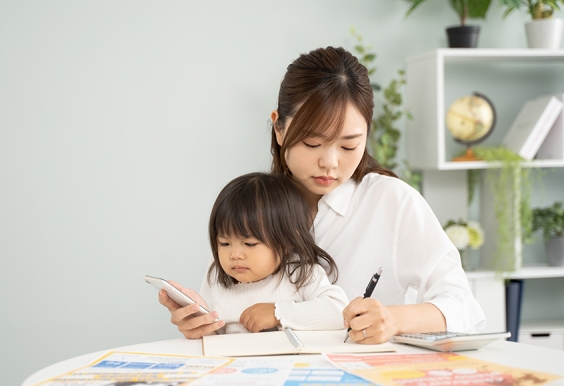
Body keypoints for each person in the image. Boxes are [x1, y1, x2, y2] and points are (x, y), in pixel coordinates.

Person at [159, 46, 486, 342]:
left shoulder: (392, 201)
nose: (329, 163)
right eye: (312, 143)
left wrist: (395, 319)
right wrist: (202, 323)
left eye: (349, 145)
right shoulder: (258, 203)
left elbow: (464, 308)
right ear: (279, 128)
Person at [164, 172, 349, 336]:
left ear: (287, 242)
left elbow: (339, 312)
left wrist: (277, 313)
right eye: (225, 243)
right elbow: (215, 335)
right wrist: (200, 316)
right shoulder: (217, 275)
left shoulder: (300, 274)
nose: (235, 254)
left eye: (249, 244)